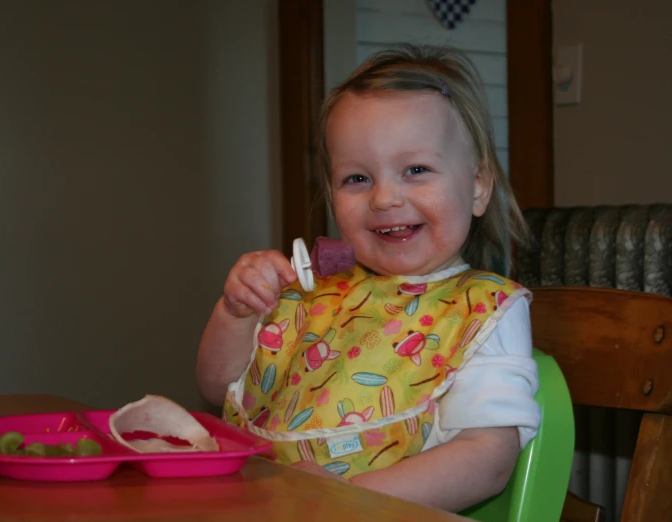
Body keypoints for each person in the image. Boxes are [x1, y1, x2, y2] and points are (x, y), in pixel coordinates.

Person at [196, 44, 540, 513]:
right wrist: (235, 314)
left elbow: (487, 460)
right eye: (357, 179)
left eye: (416, 170)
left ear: (477, 186)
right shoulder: (310, 292)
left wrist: (344, 499)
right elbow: (217, 388)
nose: (384, 198)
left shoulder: (483, 311)